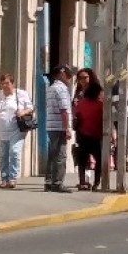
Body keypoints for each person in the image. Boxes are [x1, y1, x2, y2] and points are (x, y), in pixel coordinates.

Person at [73, 68, 104, 191]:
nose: (82, 80)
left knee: (94, 159)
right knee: (83, 158)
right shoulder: (79, 93)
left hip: (94, 130)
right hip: (83, 130)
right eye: (80, 78)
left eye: (85, 77)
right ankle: (85, 181)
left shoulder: (98, 92)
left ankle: (92, 182)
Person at [45, 63, 74, 193]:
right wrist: (67, 127)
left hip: (51, 125)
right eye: (68, 74)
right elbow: (64, 110)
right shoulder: (61, 89)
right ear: (62, 74)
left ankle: (49, 181)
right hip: (59, 126)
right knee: (60, 155)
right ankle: (57, 183)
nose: (70, 78)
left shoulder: (51, 88)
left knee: (52, 154)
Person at [111, 74, 128, 173]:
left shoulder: (123, 86)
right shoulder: (118, 87)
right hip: (121, 118)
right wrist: (122, 115)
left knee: (125, 140)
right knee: (123, 140)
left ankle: (123, 162)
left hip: (126, 116)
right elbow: (116, 103)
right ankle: (121, 163)